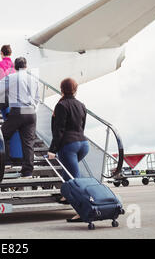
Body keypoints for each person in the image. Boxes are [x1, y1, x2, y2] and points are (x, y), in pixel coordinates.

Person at [47, 78, 89, 222]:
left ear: (61, 89)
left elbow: (59, 130)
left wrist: (52, 149)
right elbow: (82, 127)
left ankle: (83, 212)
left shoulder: (61, 105)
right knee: (69, 171)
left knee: (74, 180)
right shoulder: (82, 105)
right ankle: (65, 195)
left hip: (69, 145)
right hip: (83, 144)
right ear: (75, 89)